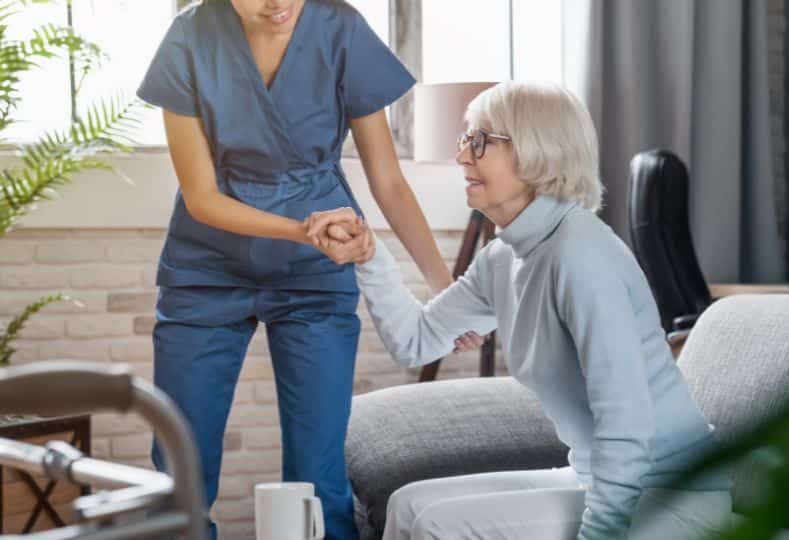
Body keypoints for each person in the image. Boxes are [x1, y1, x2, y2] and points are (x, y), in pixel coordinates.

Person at [309, 81, 733, 540]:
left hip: (672, 496)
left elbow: (626, 424)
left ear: (537, 153)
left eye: (480, 142)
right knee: (410, 504)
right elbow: (415, 341)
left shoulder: (581, 253)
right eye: (465, 140)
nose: (462, 157)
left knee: (436, 525)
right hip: (595, 476)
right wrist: (369, 257)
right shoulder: (504, 257)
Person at [137, 1, 481, 538]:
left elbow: (387, 180)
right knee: (179, 468)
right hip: (207, 268)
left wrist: (444, 291)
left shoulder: (339, 28)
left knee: (319, 478)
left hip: (315, 272)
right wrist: (302, 229)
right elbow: (202, 198)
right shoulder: (189, 38)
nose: (279, 3)